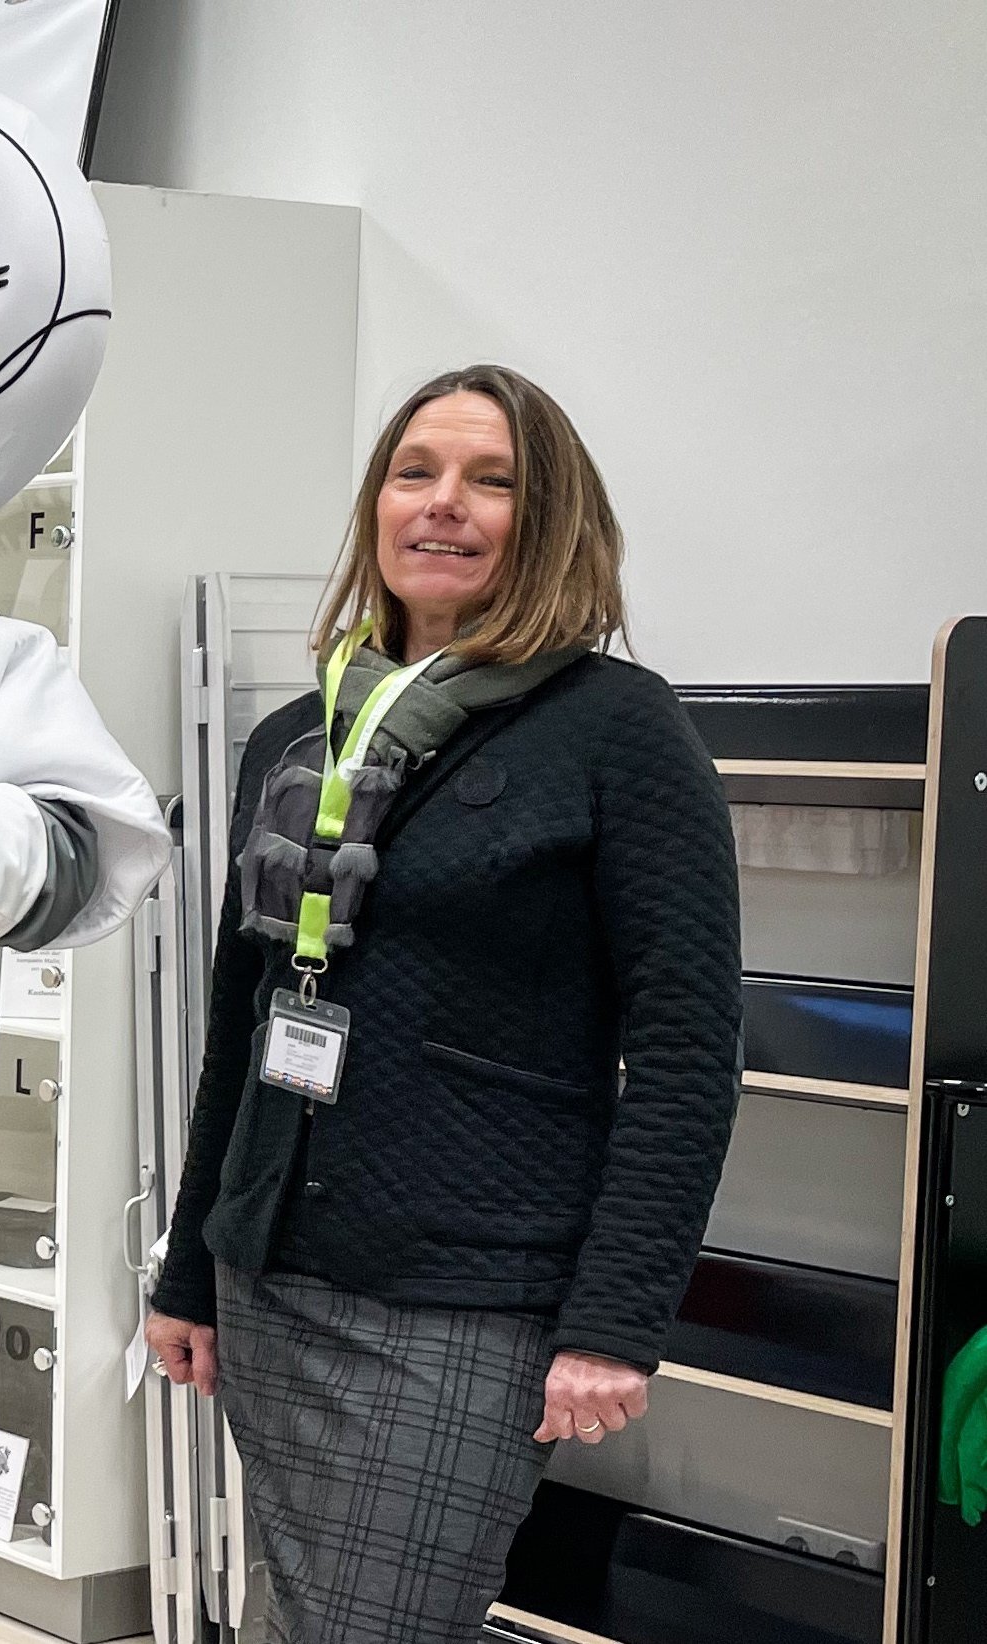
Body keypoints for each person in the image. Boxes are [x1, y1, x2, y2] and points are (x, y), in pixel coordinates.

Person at [142, 364, 742, 1642]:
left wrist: (616, 1323)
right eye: (415, 473)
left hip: (463, 1296)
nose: (444, 506)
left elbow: (689, 1053)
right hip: (274, 1279)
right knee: (298, 1618)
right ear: (376, 506)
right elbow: (241, 1031)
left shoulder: (616, 732)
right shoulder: (300, 736)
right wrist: (190, 1265)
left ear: (550, 520)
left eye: (492, 481)